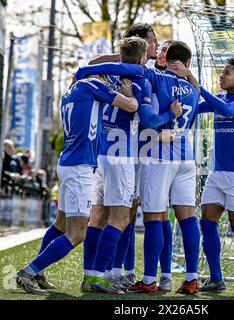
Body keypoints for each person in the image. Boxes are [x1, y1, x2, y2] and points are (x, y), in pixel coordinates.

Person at [75, 41, 202, 295]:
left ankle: (147, 279)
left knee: (154, 217)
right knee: (187, 218)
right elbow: (202, 96)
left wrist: (83, 73)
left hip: (157, 156)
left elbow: (146, 114)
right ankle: (190, 278)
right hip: (187, 159)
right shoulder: (192, 89)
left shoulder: (154, 77)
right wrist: (189, 75)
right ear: (187, 63)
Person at [14, 74, 139, 295]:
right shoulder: (92, 85)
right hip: (80, 167)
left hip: (68, 162)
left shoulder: (70, 92)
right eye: (107, 79)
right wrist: (129, 95)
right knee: (78, 233)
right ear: (98, 76)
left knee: (60, 224)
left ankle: (38, 274)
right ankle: (28, 272)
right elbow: (130, 105)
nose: (110, 84)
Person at [171, 58, 234, 295]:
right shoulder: (219, 99)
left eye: (227, 73)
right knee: (207, 222)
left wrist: (196, 84)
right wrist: (179, 97)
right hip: (217, 173)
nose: (222, 76)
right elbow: (195, 108)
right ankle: (216, 278)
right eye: (222, 73)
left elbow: (228, 111)